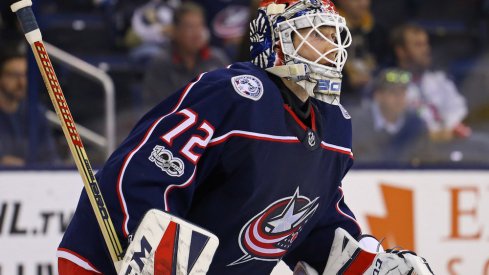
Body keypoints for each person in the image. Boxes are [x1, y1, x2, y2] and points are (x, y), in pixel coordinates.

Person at [58, 1, 433, 274]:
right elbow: (143, 170)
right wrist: (151, 253)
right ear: (275, 43)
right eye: (314, 35)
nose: (331, 47)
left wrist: (362, 265)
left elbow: (312, 222)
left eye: (334, 35)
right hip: (107, 264)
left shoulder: (335, 126)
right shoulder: (235, 94)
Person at [142, 1, 229, 111]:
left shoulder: (217, 59)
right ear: (175, 31)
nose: (197, 33)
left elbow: (228, 100)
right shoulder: (161, 63)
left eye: (200, 26)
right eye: (190, 27)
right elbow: (155, 108)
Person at [391, 23, 471, 142]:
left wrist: (447, 132)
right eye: (418, 45)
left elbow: (461, 113)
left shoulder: (439, 80)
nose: (426, 50)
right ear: (401, 51)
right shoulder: (390, 87)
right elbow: (401, 133)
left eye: (426, 44)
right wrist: (436, 135)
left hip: (449, 149)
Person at [351, 68, 428, 163]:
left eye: (403, 92)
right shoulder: (356, 123)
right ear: (378, 96)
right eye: (393, 93)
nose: (399, 98)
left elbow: (424, 161)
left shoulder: (415, 125)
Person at [0, 47, 59, 166]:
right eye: (14, 75)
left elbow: (50, 159)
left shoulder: (36, 113)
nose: (21, 83)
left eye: (25, 75)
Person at [335, 0, 390, 106]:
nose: (363, 4)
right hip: (340, 97)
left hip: (375, 95)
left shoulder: (378, 29)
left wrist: (377, 77)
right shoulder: (327, 29)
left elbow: (387, 62)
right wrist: (347, 81)